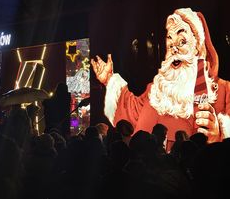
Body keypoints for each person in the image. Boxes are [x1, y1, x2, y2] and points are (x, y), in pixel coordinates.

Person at [91, 8, 230, 150]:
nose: (174, 49)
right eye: (170, 43)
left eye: (182, 42)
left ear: (197, 47)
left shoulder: (224, 91)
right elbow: (130, 113)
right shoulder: (155, 89)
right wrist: (109, 79)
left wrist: (217, 136)